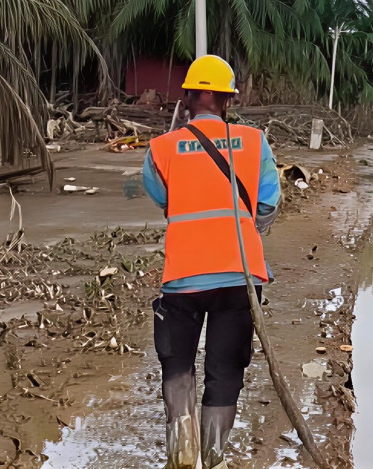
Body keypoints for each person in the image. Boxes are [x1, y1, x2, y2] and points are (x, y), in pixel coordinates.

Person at [143, 55, 281, 469]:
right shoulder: (254, 142)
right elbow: (268, 204)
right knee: (225, 370)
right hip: (239, 277)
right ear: (227, 100)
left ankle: (182, 453)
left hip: (182, 278)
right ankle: (214, 456)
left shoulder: (161, 148)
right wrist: (245, 228)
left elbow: (163, 200)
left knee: (177, 366)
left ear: (187, 97)